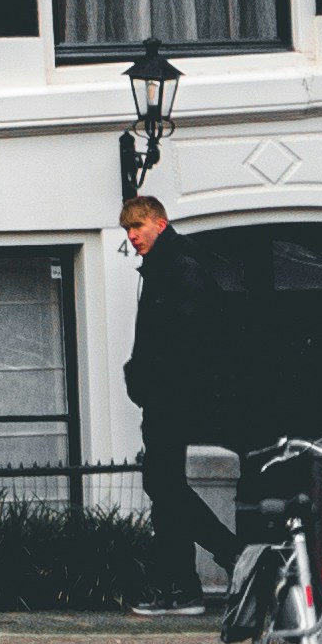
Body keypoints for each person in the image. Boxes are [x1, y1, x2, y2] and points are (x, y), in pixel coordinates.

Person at [122, 196, 229, 605]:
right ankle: (183, 586)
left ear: (160, 224)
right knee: (167, 490)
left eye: (138, 226)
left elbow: (187, 338)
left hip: (174, 396)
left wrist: (148, 376)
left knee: (161, 484)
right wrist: (138, 374)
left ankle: (232, 553)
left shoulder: (182, 270)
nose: (132, 236)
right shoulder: (160, 270)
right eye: (128, 230)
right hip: (161, 395)